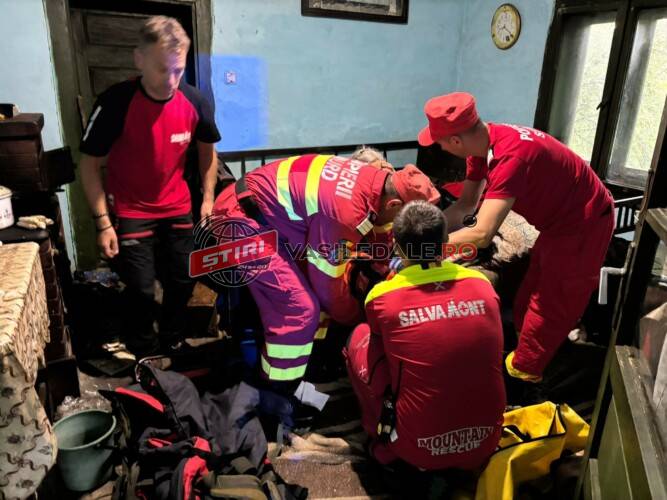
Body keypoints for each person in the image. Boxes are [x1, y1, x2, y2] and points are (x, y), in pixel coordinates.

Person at [416, 92, 614, 382]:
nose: (441, 148)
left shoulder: (510, 158)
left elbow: (482, 234)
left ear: (455, 141)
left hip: (584, 222)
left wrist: (421, 249)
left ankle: (526, 377)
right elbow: (465, 206)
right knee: (529, 291)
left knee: (552, 302)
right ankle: (523, 355)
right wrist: (422, 232)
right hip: (555, 224)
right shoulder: (482, 147)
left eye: (440, 143)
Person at [212, 155, 440, 391]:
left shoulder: (375, 181)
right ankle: (275, 390)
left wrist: (382, 264)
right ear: (393, 204)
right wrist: (359, 317)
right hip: (240, 221)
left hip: (264, 211)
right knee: (300, 309)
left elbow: (380, 229)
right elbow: (329, 290)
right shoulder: (345, 214)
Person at [80, 16, 221, 357]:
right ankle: (144, 349)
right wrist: (103, 223)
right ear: (139, 59)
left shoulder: (196, 101)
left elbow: (208, 154)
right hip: (131, 209)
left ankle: (171, 338)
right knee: (142, 289)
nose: (171, 80)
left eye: (178, 70)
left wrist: (208, 200)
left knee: (183, 280)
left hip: (177, 206)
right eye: (162, 69)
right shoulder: (115, 102)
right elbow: (88, 164)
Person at [345, 200, 505, 470]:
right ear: (446, 242)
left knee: (359, 338)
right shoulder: (482, 284)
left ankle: (381, 437)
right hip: (486, 442)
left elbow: (382, 351)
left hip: (418, 450)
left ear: (397, 246)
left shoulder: (382, 298)